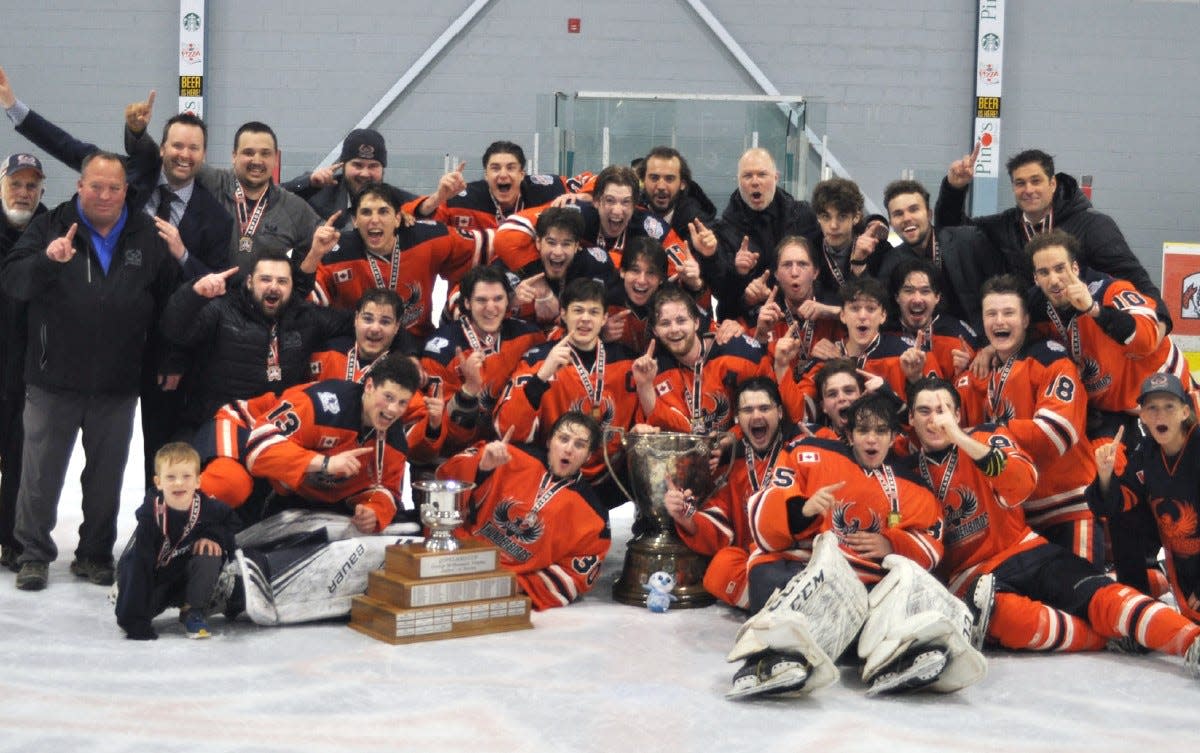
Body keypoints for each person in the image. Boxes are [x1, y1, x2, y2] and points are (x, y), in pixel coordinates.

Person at [907, 377, 1200, 675]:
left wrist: (960, 439)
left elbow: (1021, 484)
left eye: (943, 409)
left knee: (1103, 597)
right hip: (970, 578)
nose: (936, 419)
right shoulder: (905, 470)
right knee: (1015, 622)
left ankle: (1193, 642)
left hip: (1025, 550)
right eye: (925, 411)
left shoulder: (986, 435)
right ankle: (1107, 636)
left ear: (957, 415)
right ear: (911, 418)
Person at [727, 391, 984, 698]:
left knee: (903, 591)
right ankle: (771, 657)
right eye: (863, 431)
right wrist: (803, 510)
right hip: (799, 566)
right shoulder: (809, 453)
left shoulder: (913, 485)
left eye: (880, 431)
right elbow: (763, 527)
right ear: (849, 435)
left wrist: (892, 543)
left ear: (893, 437)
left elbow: (932, 545)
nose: (871, 440)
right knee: (769, 573)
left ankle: (894, 655)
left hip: (859, 590)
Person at [2, 151, 180, 591]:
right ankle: (34, 554)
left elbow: (169, 307)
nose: (104, 195)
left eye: (113, 187)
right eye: (95, 186)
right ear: (80, 186)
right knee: (39, 474)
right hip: (51, 378)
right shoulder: (49, 226)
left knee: (106, 477)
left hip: (117, 383)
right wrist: (47, 259)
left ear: (126, 191)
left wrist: (168, 358)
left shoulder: (147, 234)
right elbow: (14, 280)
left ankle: (95, 554)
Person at [934, 146, 1169, 330]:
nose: (1028, 189)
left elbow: (1132, 275)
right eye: (1020, 183)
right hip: (1031, 335)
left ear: (1053, 183)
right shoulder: (1006, 225)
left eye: (1036, 181)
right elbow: (952, 232)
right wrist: (954, 188)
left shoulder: (1093, 226)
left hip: (1087, 332)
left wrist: (1159, 318)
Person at [955, 274, 1098, 563]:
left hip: (1067, 507)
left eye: (1009, 313)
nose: (999, 321)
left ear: (1025, 319)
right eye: (991, 314)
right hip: (1017, 516)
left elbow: (1056, 433)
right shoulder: (980, 373)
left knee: (1082, 598)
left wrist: (985, 432)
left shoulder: (1050, 360)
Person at [160, 248, 352, 438]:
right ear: (250, 282)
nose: (274, 287)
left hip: (278, 430)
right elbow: (174, 329)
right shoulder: (223, 310)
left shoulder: (306, 316)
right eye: (265, 279)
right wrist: (194, 293)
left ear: (292, 286)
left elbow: (354, 323)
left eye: (282, 281)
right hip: (221, 425)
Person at [437, 411, 611, 610]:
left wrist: (514, 586)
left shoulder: (595, 517)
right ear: (549, 441)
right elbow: (445, 478)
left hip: (506, 593)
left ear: (588, 456)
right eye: (563, 439)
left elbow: (574, 577)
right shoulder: (510, 455)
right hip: (457, 560)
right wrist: (482, 468)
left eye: (579, 445)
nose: (569, 449)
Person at [243, 354, 426, 532]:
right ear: (369, 386)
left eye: (402, 402)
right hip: (277, 491)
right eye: (388, 397)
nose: (393, 409)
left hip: (334, 509)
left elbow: (388, 490)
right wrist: (325, 463)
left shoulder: (395, 442)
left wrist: (373, 512)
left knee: (407, 528)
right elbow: (258, 448)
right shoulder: (322, 405)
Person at [665, 377, 798, 608]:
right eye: (748, 410)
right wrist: (685, 515)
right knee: (720, 568)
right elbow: (719, 526)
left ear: (779, 412)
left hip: (797, 557)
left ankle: (774, 603)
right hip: (757, 563)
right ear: (737, 419)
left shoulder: (801, 451)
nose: (756, 416)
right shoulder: (730, 468)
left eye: (764, 408)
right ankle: (784, 604)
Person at [494, 278, 641, 487]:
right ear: (563, 313)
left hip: (613, 479)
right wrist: (541, 376)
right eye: (578, 310)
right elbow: (507, 428)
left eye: (593, 312)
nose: (585, 319)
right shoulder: (538, 360)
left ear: (604, 318)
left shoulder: (628, 361)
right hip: (553, 477)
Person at [125, 109, 320, 265]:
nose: (257, 161)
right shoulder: (213, 180)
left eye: (265, 153)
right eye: (248, 152)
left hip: (265, 306)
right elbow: (168, 156)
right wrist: (138, 133)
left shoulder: (295, 208)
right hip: (214, 301)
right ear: (233, 156)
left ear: (276, 159)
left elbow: (327, 238)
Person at [305, 181, 486, 337]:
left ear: (398, 218)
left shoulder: (427, 237)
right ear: (355, 221)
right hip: (356, 346)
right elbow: (301, 307)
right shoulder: (335, 251)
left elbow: (493, 247)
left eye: (383, 212)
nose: (374, 220)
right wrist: (314, 254)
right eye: (366, 212)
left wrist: (457, 301)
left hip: (417, 345)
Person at [1092, 374, 1200, 627]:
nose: (1160, 415)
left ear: (1185, 412)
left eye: (1168, 407)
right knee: (1123, 515)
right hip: (1182, 551)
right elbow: (1115, 506)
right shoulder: (1146, 453)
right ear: (1142, 416)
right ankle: (1135, 599)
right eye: (1152, 408)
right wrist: (1106, 476)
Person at [114, 443, 239, 641]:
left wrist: (214, 537)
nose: (179, 483)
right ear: (158, 482)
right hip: (153, 579)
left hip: (183, 574)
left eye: (186, 476)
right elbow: (140, 564)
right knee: (134, 578)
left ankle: (193, 610)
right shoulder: (151, 514)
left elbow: (231, 522)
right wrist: (135, 620)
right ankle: (122, 590)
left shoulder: (208, 506)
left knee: (210, 552)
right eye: (170, 477)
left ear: (198, 481)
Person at [421, 265, 545, 451]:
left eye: (498, 299)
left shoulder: (530, 336)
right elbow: (447, 438)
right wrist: (468, 392)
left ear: (509, 301)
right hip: (456, 459)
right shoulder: (441, 351)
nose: (490, 308)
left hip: (512, 449)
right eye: (481, 300)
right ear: (467, 303)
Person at [696, 148, 819, 321]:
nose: (755, 182)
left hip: (801, 316)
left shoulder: (803, 216)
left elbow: (821, 273)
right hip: (747, 321)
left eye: (762, 174)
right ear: (738, 181)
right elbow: (721, 295)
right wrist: (738, 274)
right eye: (747, 176)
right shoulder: (723, 230)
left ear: (776, 177)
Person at [635, 284, 771, 435]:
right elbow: (662, 425)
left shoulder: (739, 353)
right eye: (665, 323)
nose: (674, 329)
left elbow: (770, 410)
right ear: (655, 330)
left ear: (696, 322)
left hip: (739, 453)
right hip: (685, 455)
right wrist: (644, 386)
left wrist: (732, 439)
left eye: (681, 320)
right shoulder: (653, 370)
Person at [0, 152, 46, 572]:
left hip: (32, 369)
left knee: (21, 457)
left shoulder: (52, 229)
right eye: (16, 183)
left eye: (31, 185)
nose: (24, 192)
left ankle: (12, 539)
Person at [876, 179, 999, 328]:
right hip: (925, 344)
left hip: (982, 339)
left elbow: (1001, 291)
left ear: (929, 214)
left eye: (914, 209)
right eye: (898, 214)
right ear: (891, 223)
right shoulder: (891, 262)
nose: (907, 218)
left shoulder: (968, 241)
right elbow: (884, 314)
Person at [409, 140, 574, 231]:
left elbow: (592, 184)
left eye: (511, 167)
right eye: (495, 168)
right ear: (486, 175)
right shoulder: (463, 199)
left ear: (522, 174)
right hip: (475, 286)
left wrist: (579, 196)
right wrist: (438, 197)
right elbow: (416, 223)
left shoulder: (548, 189)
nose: (503, 174)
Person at [282, 128, 416, 231]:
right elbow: (269, 196)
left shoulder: (399, 202)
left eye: (373, 166)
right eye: (357, 165)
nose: (364, 173)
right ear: (343, 165)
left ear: (383, 169)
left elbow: (429, 208)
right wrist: (309, 183)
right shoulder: (317, 192)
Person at [884, 259, 977, 380]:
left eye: (925, 291)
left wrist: (965, 371)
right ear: (897, 297)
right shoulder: (883, 333)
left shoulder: (958, 336)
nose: (917, 299)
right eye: (909, 291)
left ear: (937, 297)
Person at [809, 177, 889, 286]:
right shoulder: (808, 250)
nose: (833, 226)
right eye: (826, 217)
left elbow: (883, 298)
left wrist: (859, 264)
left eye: (842, 216)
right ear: (818, 218)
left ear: (856, 217)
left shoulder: (877, 250)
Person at [637, 146, 716, 240]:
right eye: (654, 178)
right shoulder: (630, 215)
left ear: (682, 184)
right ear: (643, 181)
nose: (661, 186)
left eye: (669, 179)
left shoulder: (698, 224)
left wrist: (707, 252)